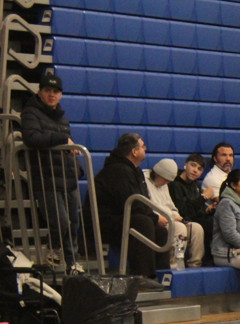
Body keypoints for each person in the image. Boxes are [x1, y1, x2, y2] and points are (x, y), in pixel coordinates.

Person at [19, 72, 84, 273]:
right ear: (40, 92)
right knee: (61, 222)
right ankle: (54, 249)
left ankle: (73, 264)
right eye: (47, 90)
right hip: (46, 177)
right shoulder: (30, 112)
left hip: (67, 175)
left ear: (61, 95)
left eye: (56, 91)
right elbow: (32, 138)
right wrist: (61, 139)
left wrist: (77, 168)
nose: (52, 94)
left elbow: (68, 145)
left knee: (73, 224)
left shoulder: (62, 117)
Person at [95, 133, 171, 278]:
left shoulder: (135, 171)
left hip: (124, 218)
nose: (145, 149)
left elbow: (142, 201)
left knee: (160, 231)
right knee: (143, 222)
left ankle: (162, 276)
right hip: (106, 222)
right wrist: (154, 218)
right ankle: (142, 276)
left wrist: (154, 218)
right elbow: (130, 203)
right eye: (143, 146)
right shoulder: (118, 170)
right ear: (134, 152)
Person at [144, 159, 205, 269]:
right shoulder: (144, 181)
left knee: (196, 228)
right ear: (158, 174)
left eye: (168, 181)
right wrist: (169, 217)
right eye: (165, 180)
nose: (166, 183)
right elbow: (147, 206)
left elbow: (171, 206)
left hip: (170, 218)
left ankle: (195, 265)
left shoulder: (165, 185)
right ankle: (175, 265)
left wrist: (177, 216)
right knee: (179, 228)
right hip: (158, 219)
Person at [169, 153, 216, 243]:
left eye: (199, 169)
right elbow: (184, 212)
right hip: (183, 220)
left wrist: (208, 210)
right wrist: (204, 197)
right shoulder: (175, 184)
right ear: (185, 165)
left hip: (195, 219)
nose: (195, 170)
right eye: (193, 165)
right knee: (215, 224)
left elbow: (198, 210)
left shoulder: (195, 185)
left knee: (219, 217)